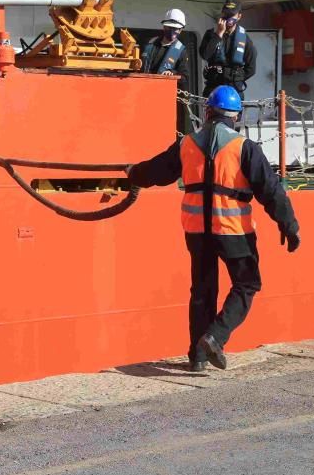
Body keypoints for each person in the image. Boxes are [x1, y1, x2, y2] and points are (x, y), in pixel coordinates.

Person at [126, 85, 299, 372]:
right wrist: (289, 225)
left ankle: (197, 358)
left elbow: (156, 171)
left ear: (207, 111)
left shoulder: (186, 144)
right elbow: (271, 191)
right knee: (247, 284)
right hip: (233, 231)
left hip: (196, 232)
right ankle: (215, 337)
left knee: (202, 291)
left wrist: (133, 173)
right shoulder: (245, 148)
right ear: (236, 116)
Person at [199, 0, 256, 98]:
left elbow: (251, 68)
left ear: (239, 16)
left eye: (232, 15)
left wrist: (236, 78)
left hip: (234, 88)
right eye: (226, 14)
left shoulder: (245, 39)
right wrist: (219, 34)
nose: (229, 18)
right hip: (214, 86)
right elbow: (205, 55)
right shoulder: (211, 34)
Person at [141, 8, 190, 89]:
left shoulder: (182, 51)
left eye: (175, 29)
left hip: (165, 93)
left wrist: (172, 73)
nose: (172, 31)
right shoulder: (150, 44)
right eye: (169, 27)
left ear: (181, 30)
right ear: (164, 27)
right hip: (145, 89)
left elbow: (184, 77)